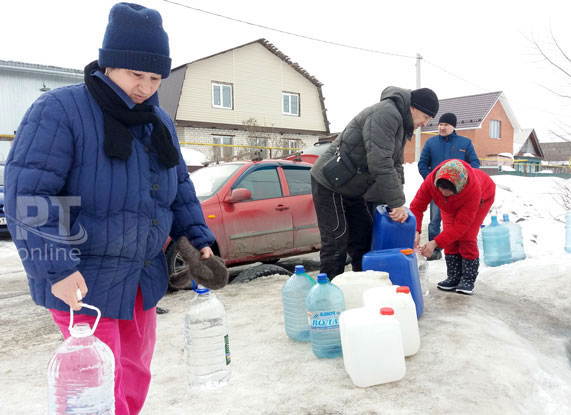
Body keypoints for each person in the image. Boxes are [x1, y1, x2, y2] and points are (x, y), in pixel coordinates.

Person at [3, 3, 223, 414]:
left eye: (155, 77)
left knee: (135, 376)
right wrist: (57, 269)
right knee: (98, 392)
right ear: (109, 65)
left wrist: (197, 237)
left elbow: (179, 188)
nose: (145, 87)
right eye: (136, 74)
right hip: (84, 284)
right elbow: (29, 196)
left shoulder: (158, 121)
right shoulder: (60, 111)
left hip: (142, 280)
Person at [311, 86, 439, 280]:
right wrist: (396, 202)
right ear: (413, 108)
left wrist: (395, 202)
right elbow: (380, 162)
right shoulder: (386, 114)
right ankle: (328, 298)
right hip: (331, 183)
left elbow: (395, 164)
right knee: (337, 240)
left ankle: (363, 287)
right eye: (425, 117)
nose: (425, 122)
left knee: (363, 237)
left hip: (352, 186)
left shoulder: (401, 124)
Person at [410, 159, 495, 295]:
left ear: (459, 187)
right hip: (449, 205)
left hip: (482, 198)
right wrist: (415, 230)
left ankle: (468, 278)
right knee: (449, 235)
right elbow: (416, 207)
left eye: (448, 191)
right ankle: (453, 277)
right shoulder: (431, 182)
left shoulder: (473, 189)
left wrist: (435, 243)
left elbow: (461, 226)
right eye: (441, 189)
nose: (443, 193)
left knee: (467, 236)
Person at [418, 112, 480, 260]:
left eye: (446, 125)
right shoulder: (431, 143)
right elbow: (422, 164)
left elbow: (475, 165)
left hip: (459, 192)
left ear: (453, 127)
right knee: (435, 219)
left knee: (457, 221)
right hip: (437, 190)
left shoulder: (465, 143)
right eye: (440, 124)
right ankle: (436, 249)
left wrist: (463, 183)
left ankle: (457, 246)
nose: (442, 128)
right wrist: (433, 183)